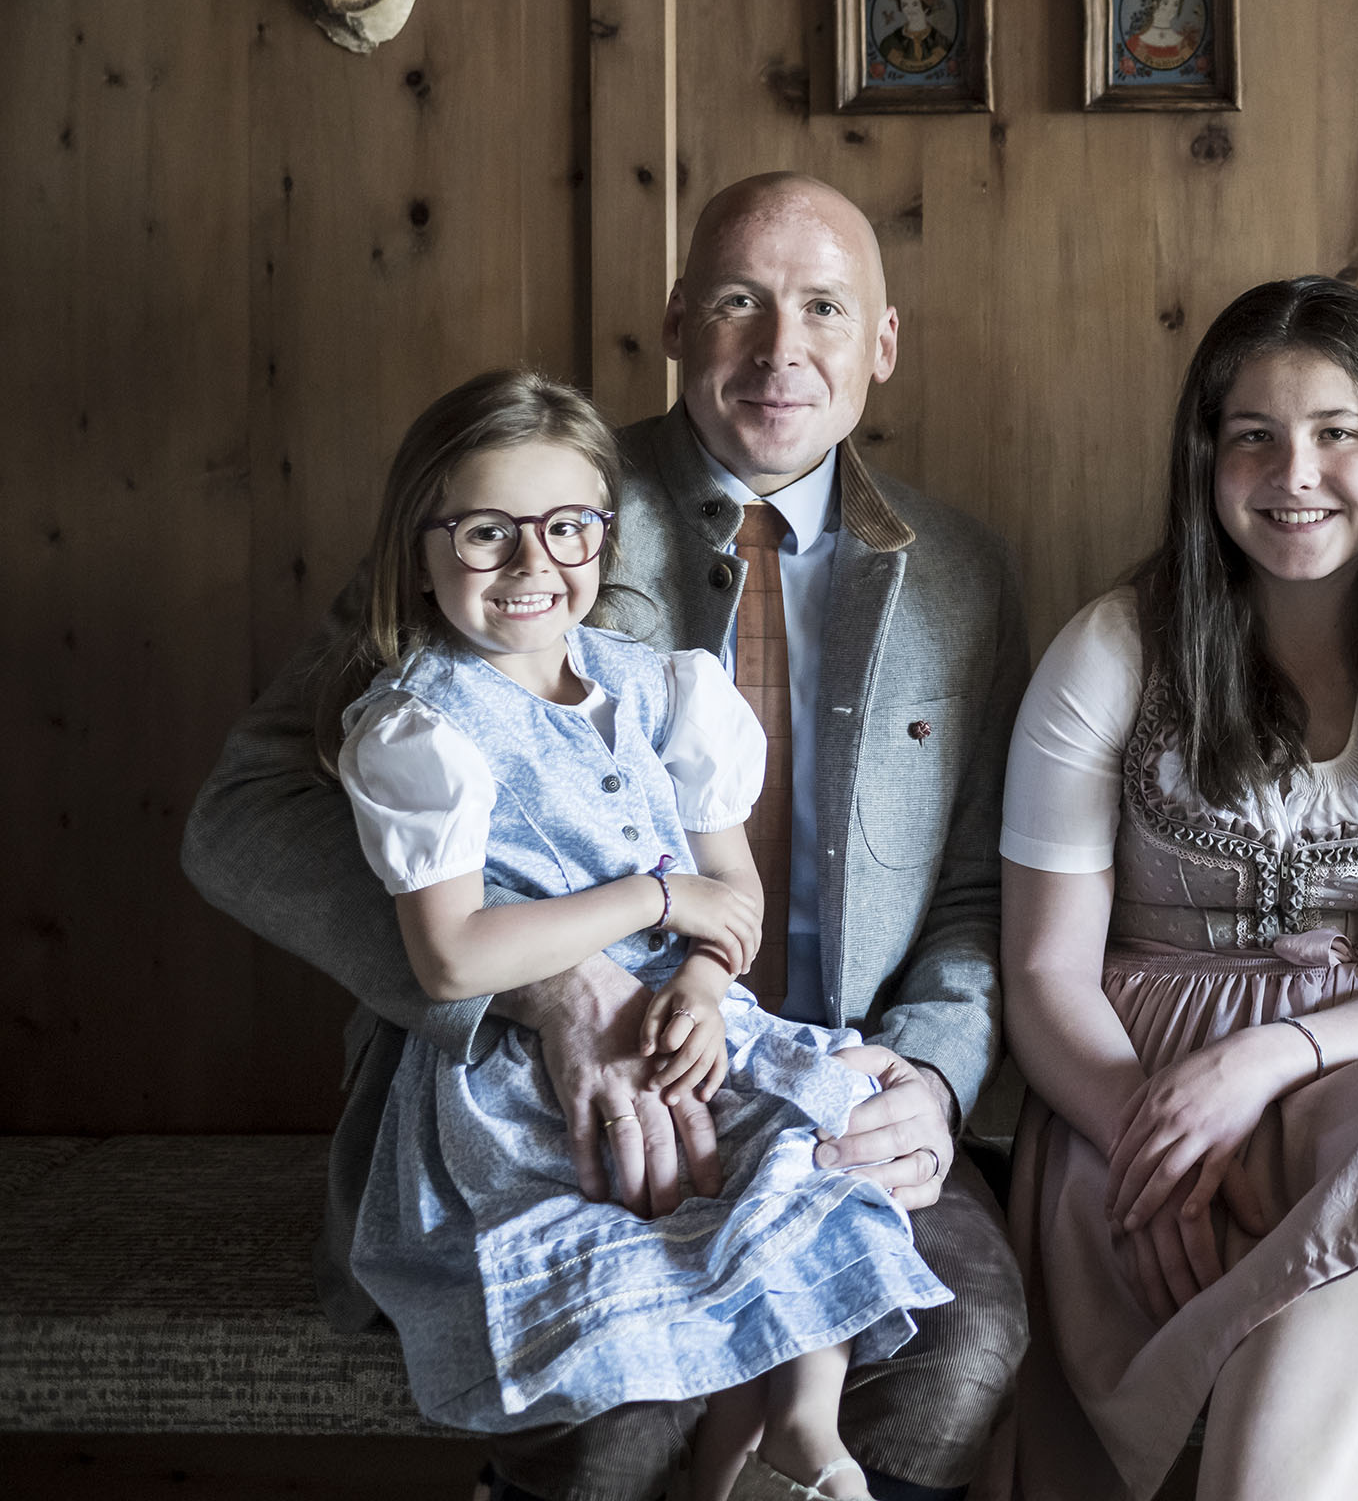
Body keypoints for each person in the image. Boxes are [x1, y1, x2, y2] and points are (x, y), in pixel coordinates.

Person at [186, 173, 1030, 1501]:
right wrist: (549, 990)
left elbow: (978, 892)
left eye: (824, 307)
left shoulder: (964, 572)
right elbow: (243, 815)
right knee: (617, 1397)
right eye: (741, 302)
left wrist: (928, 1077)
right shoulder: (523, 510)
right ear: (678, 322)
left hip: (822, 1073)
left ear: (883, 342)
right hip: (531, 1095)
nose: (782, 349)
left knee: (956, 1355)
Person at [999, 275, 1358, 1501]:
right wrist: (1150, 1133)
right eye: (1253, 435)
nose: (1294, 472)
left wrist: (1269, 1056)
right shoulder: (1114, 649)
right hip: (1128, 1077)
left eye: (1336, 433)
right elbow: (1046, 968)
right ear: (1205, 458)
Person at [322, 370, 946, 1500]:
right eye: (486, 532)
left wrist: (704, 982)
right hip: (515, 1082)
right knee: (645, 1275)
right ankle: (722, 1469)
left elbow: (732, 895)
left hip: (690, 1025)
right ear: (418, 549)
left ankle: (803, 1439)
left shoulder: (660, 687)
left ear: (604, 533)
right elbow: (452, 956)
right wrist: (656, 901)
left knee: (818, 1143)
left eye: (567, 526)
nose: (533, 562)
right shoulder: (420, 731)